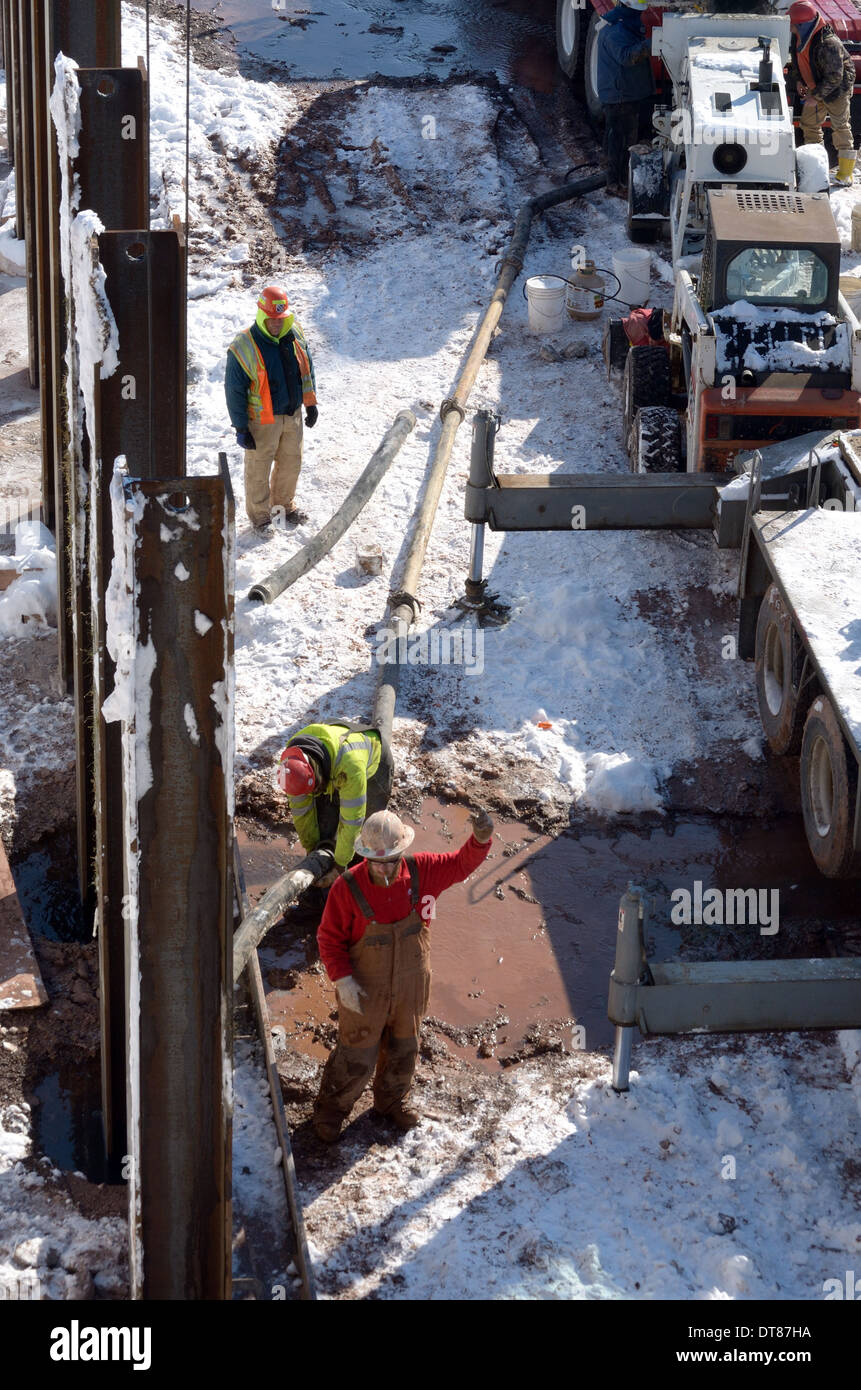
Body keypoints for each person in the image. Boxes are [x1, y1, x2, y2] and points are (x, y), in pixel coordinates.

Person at [312, 807, 494, 1142]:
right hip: (364, 987)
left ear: (402, 852)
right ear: (363, 854)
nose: (382, 868)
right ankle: (330, 1112)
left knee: (404, 1046)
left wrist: (479, 841)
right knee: (357, 1054)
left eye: (390, 859)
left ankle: (392, 1101)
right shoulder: (346, 888)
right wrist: (342, 979)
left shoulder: (422, 871)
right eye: (373, 860)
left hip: (411, 982)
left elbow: (459, 865)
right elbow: (329, 938)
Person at [225, 285, 318, 531]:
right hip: (262, 420)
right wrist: (241, 427)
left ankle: (284, 507)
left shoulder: (295, 334)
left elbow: (307, 370)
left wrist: (310, 404)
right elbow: (234, 391)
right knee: (258, 468)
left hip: (292, 414)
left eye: (281, 319)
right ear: (261, 315)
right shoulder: (244, 345)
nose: (276, 324)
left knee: (291, 462)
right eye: (271, 320)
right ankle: (261, 517)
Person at [277, 721, 394, 887]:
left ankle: (358, 880)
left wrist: (340, 865)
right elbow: (302, 813)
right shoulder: (291, 767)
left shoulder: (350, 766)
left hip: (373, 767)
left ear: (317, 772)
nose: (313, 795)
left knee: (366, 833)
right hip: (331, 756)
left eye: (316, 789)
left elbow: (352, 821)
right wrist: (311, 849)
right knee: (326, 825)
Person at [787, 1, 856, 185]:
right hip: (815, 87)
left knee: (840, 127)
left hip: (836, 91)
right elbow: (796, 60)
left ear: (802, 25)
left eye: (792, 23)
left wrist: (815, 96)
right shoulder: (799, 37)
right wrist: (799, 79)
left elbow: (835, 77)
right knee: (809, 125)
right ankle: (817, 169)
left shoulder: (828, 44)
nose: (790, 27)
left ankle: (845, 175)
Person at [595, 0, 655, 199]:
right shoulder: (616, 33)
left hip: (625, 93)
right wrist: (652, 43)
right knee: (620, 142)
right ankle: (615, 184)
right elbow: (627, 57)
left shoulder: (621, 25)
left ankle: (614, 175)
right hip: (620, 97)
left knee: (615, 138)